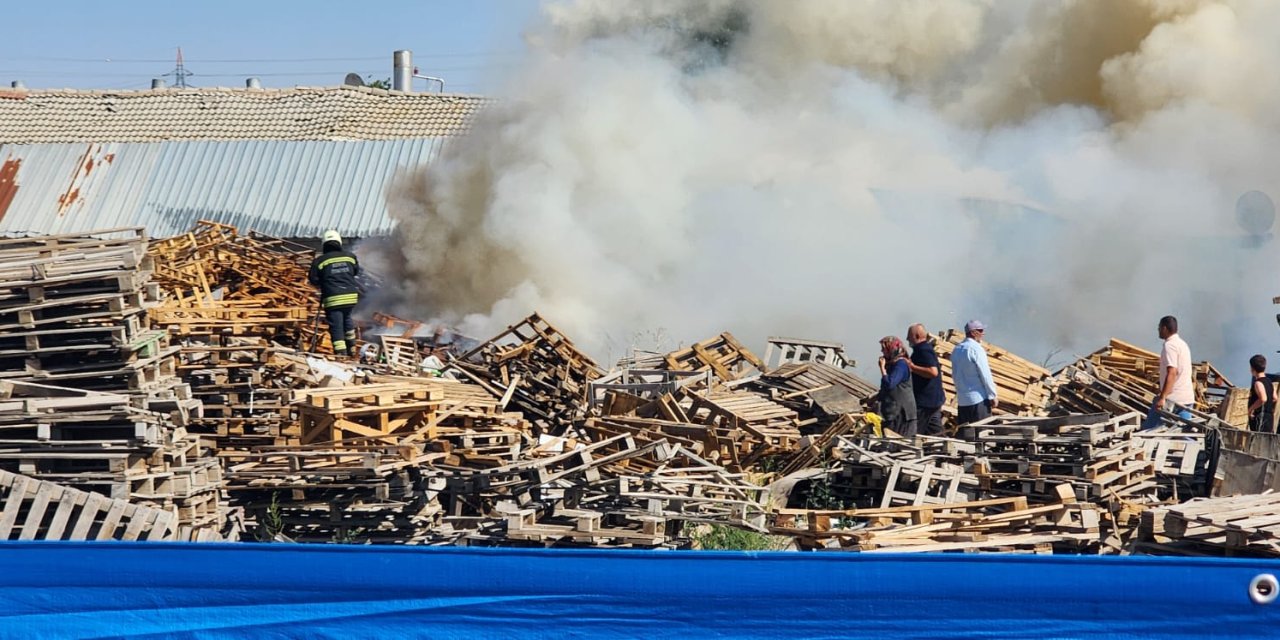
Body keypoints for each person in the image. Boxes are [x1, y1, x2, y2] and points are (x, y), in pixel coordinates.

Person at [307, 230, 362, 357]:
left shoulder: (320, 261)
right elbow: (355, 272)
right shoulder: (350, 256)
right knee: (347, 319)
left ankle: (340, 353)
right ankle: (352, 347)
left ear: (324, 244)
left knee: (336, 324)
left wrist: (325, 280)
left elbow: (313, 279)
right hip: (350, 296)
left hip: (333, 297)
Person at [1142, 315, 1195, 429]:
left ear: (1165, 328)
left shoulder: (1170, 346)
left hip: (1173, 400)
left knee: (1148, 431)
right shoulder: (1182, 344)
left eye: (1159, 327)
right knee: (1184, 433)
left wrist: (1162, 397)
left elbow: (1172, 372)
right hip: (1186, 398)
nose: (1158, 330)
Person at [952, 320, 999, 425]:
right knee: (982, 435)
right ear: (973, 333)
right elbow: (985, 375)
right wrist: (992, 395)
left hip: (963, 402)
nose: (983, 333)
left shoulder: (956, 350)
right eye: (980, 330)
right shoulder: (976, 349)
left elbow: (955, 375)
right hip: (978, 400)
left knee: (965, 437)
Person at [905, 323, 946, 436]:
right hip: (932, 400)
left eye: (909, 335)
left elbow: (933, 372)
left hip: (925, 402)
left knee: (913, 433)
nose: (907, 338)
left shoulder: (923, 350)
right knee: (936, 431)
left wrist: (912, 367)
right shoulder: (923, 349)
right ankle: (946, 447)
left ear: (917, 335)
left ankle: (909, 450)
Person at [877, 336, 918, 437]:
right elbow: (885, 388)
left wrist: (882, 368)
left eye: (884, 349)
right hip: (892, 413)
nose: (882, 351)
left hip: (902, 414)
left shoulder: (901, 365)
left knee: (900, 443)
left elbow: (890, 383)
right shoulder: (892, 365)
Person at [1248, 354, 1275, 433]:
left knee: (1258, 440)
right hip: (1269, 417)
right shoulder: (1269, 381)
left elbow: (1263, 399)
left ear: (1253, 368)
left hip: (1261, 417)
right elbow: (1275, 398)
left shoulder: (1258, 383)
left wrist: (1251, 409)